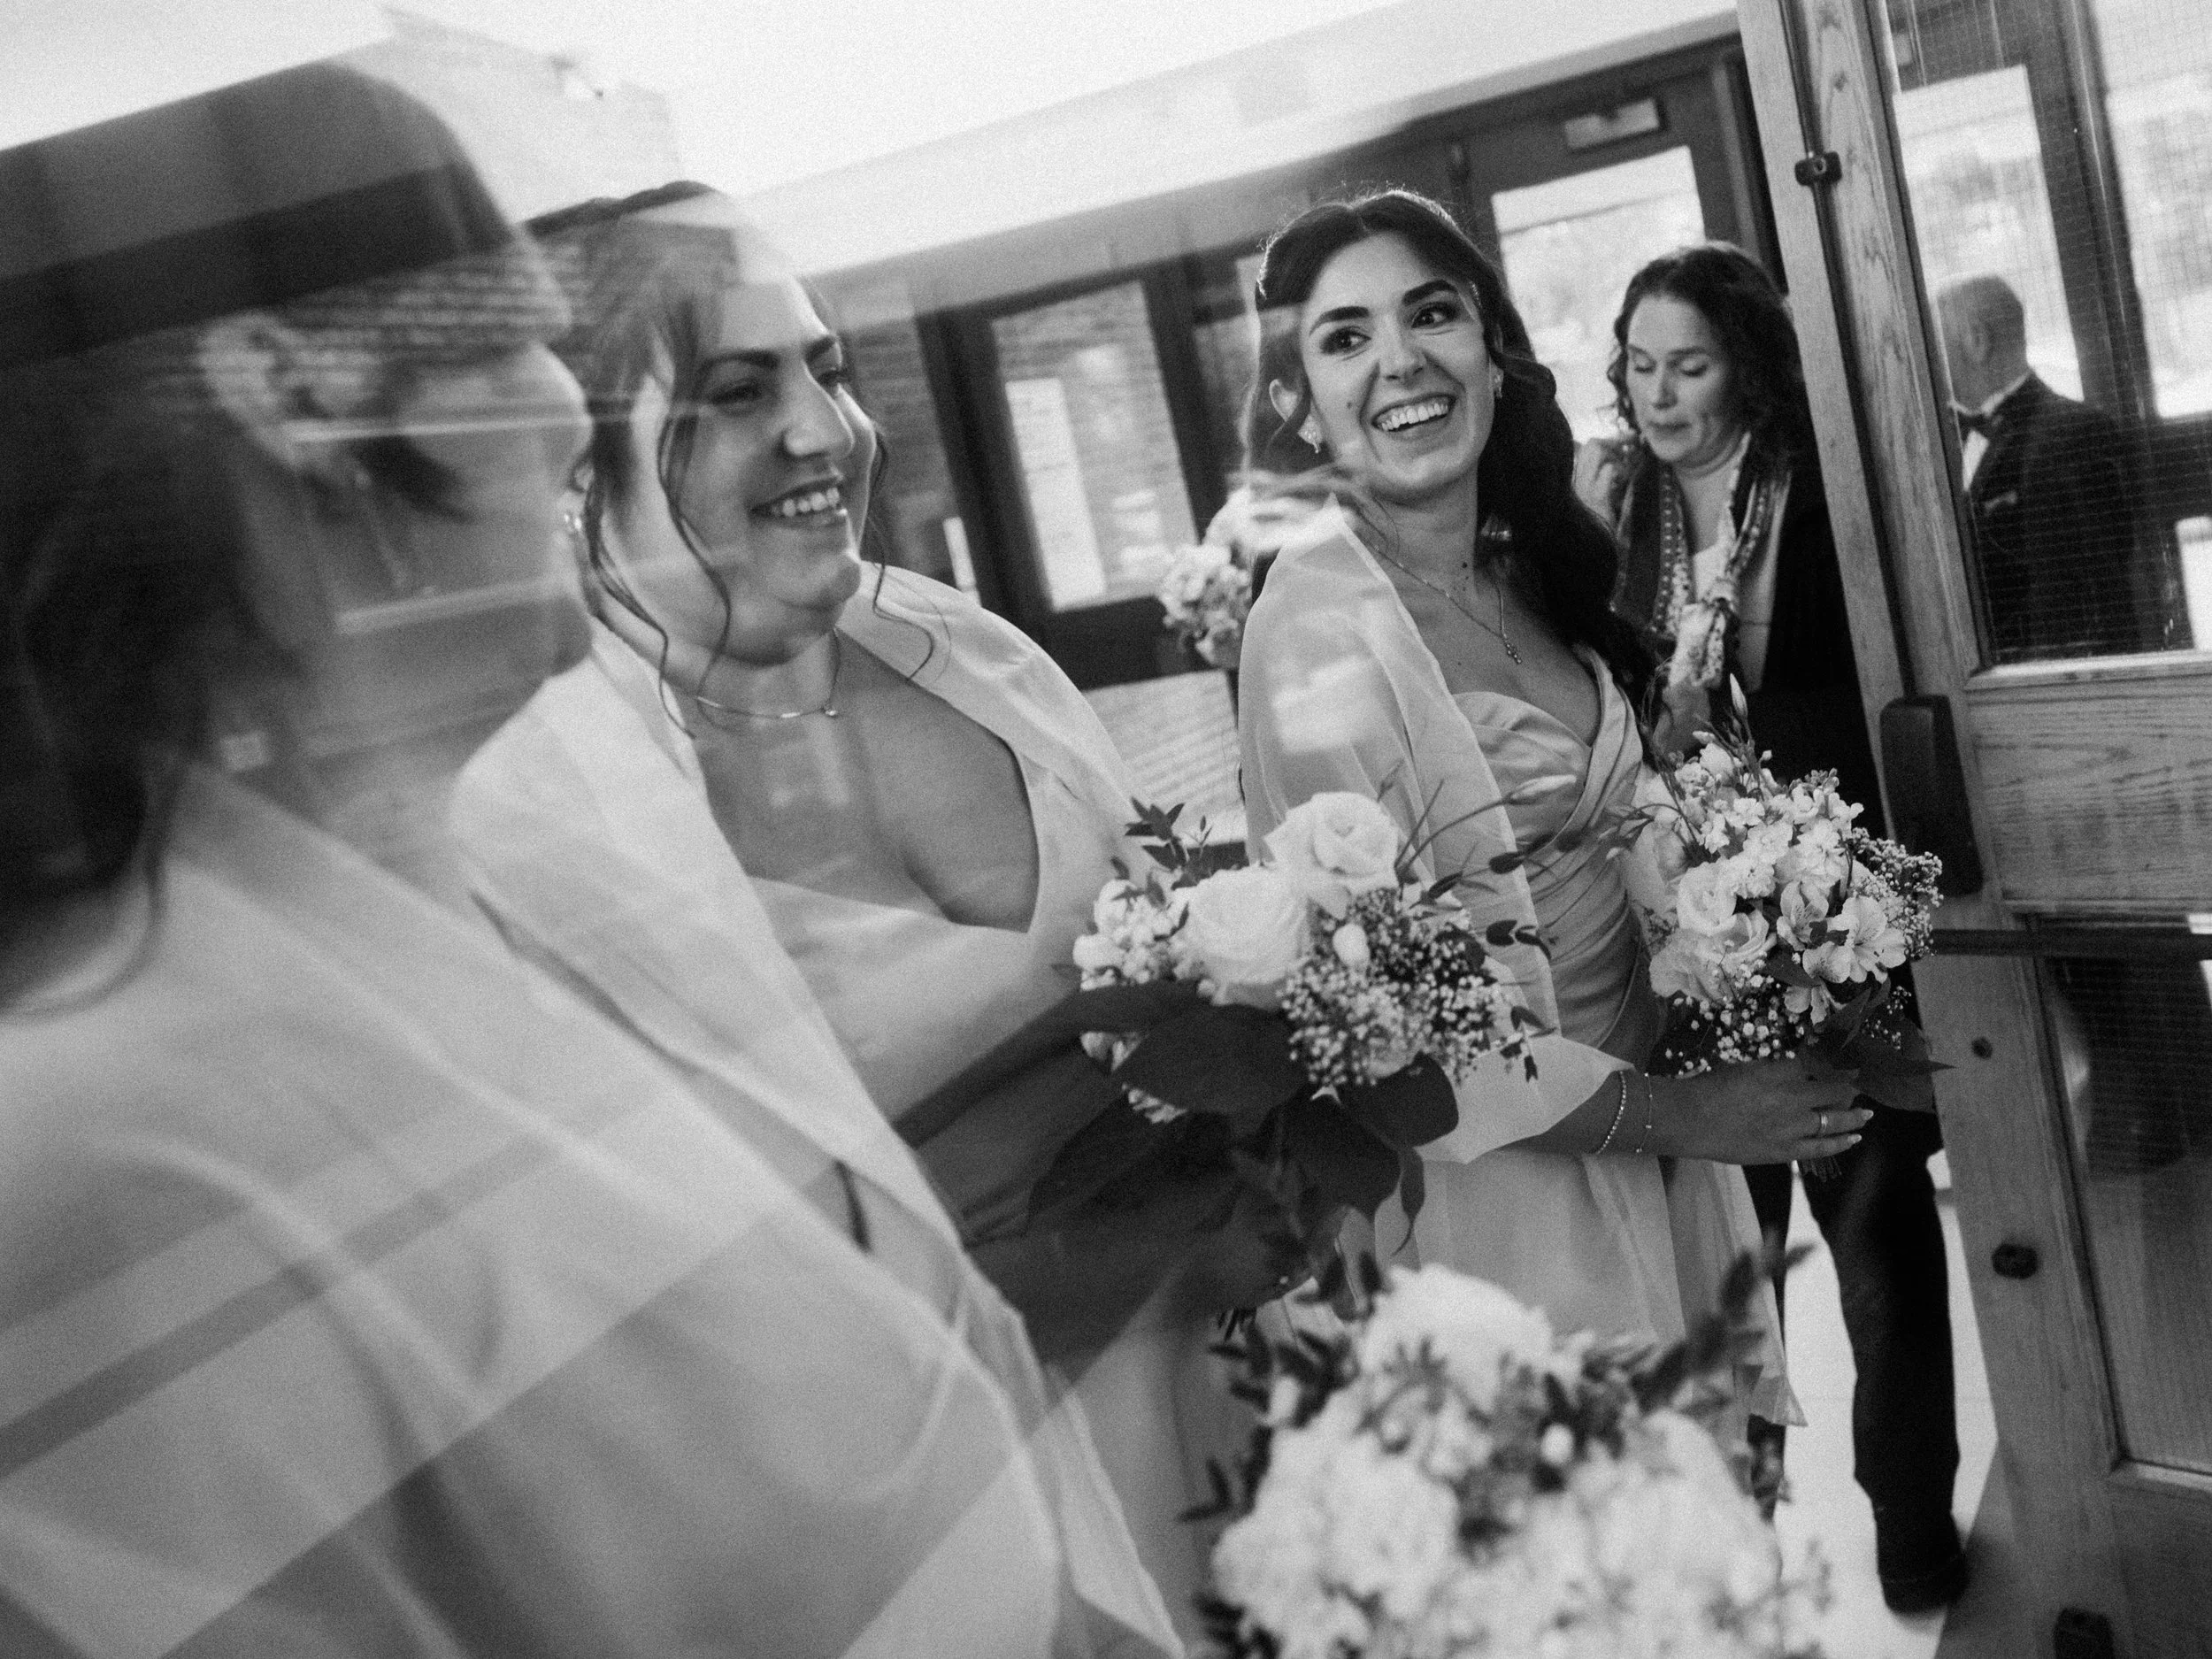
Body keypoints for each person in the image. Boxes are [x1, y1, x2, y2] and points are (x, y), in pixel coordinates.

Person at [0, 65, 1132, 1657]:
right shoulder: (101, 1137)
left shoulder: (482, 870)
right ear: (298, 394)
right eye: (509, 333)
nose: (569, 408)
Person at [450, 181, 1256, 1640]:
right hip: (949, 1497)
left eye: (826, 366)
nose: (824, 428)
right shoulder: (547, 814)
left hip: (1230, 1370)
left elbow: (1173, 939)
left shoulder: (970, 647)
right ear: (578, 462)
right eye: (735, 392)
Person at [1231, 189, 1864, 1447]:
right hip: (1500, 1199)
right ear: (1296, 403)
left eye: (1432, 313)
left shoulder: (1540, 565)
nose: (1402, 359)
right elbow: (1386, 1027)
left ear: (1493, 346)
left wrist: (1775, 952)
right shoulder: (1310, 632)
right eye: (1344, 337)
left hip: (1660, 1146)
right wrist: (1687, 1114)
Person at [1578, 242, 1966, 1612]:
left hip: (1824, 904)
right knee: (1720, 1253)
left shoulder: (1813, 487)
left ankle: (1913, 1528)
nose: (1661, 391)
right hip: (1671, 920)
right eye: (1640, 363)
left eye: (1690, 362)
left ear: (1746, 361)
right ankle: (1736, 1539)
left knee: (1874, 1233)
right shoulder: (1610, 501)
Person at [1932, 273, 2142, 663]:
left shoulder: (2075, 433)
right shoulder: (1937, 442)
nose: (1925, 361)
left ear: (1976, 341)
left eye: (1932, 343)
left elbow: (2090, 595)